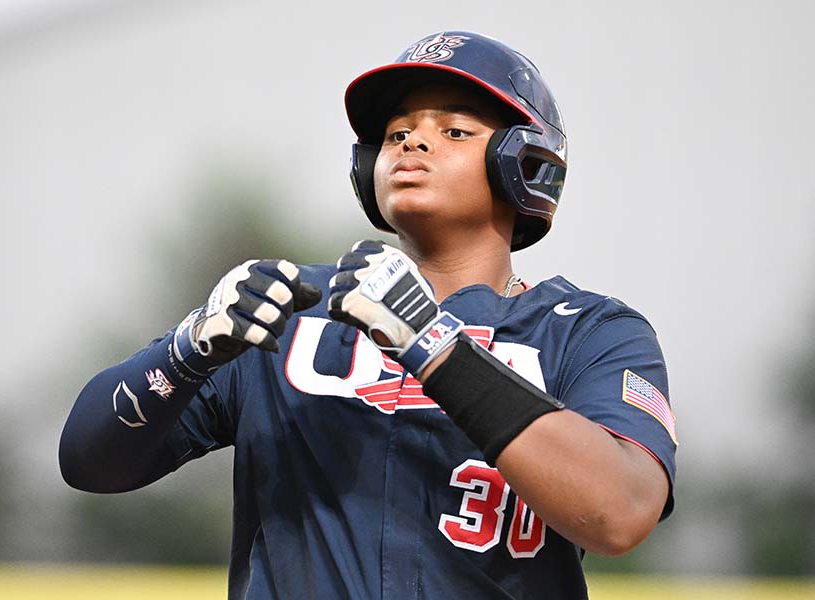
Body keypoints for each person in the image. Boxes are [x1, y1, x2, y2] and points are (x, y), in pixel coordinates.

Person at [60, 30, 677, 599]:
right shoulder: (291, 313)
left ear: (524, 164)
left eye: (454, 131)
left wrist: (432, 343)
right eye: (395, 132)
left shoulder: (589, 331)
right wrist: (188, 346)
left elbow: (620, 513)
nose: (411, 140)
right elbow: (89, 463)